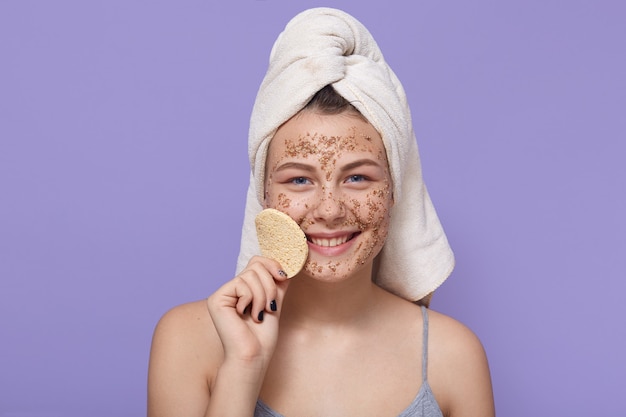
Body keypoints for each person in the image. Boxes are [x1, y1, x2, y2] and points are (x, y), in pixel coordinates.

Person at [147, 7, 494, 417]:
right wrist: (244, 366)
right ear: (263, 195)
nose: (329, 209)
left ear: (395, 190)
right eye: (298, 180)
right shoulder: (189, 340)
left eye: (358, 178)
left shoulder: (453, 355)